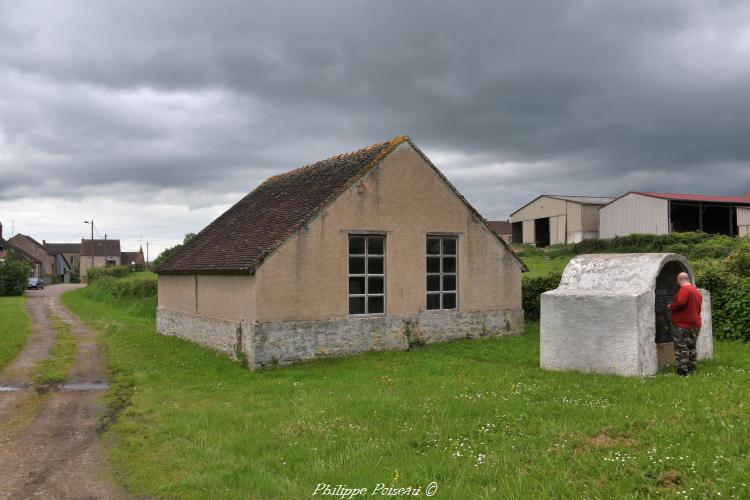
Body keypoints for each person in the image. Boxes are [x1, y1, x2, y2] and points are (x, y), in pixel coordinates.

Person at [668, 272, 703, 376]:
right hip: (695, 324)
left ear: (679, 279)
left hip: (683, 325)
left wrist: (671, 307)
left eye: (677, 280)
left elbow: (681, 302)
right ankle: (692, 369)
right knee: (691, 347)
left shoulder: (684, 290)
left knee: (681, 348)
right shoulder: (695, 291)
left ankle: (683, 372)